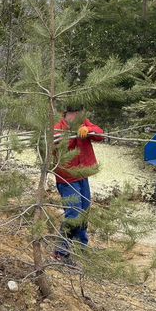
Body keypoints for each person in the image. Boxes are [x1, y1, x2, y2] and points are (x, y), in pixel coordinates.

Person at [52, 104, 104, 262]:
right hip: (67, 178)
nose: (78, 117)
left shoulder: (84, 123)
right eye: (75, 114)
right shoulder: (57, 129)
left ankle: (82, 247)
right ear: (67, 114)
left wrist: (89, 130)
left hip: (83, 175)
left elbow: (100, 135)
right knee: (74, 213)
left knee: (84, 211)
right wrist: (66, 138)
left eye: (81, 114)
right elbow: (53, 147)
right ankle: (61, 252)